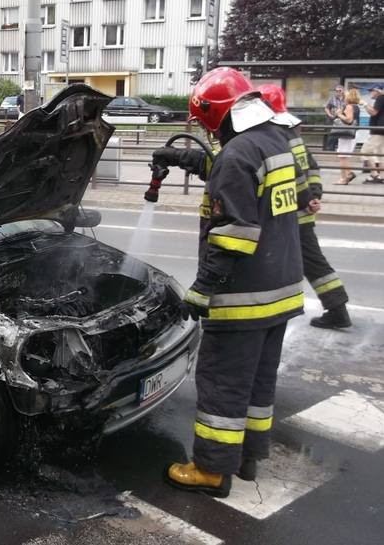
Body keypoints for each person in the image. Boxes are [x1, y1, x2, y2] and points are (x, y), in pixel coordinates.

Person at [150, 68, 304, 498]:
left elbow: (234, 233)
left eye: (204, 122)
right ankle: (248, 457)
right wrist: (180, 157)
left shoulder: (238, 155)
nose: (204, 130)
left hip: (242, 297)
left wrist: (202, 290)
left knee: (222, 381)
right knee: (257, 382)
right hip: (280, 292)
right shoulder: (273, 141)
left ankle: (211, 470)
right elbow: (229, 171)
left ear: (216, 113)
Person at [259, 84, 352, 329]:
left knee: (280, 260)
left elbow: (291, 170)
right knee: (310, 259)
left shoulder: (273, 133)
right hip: (301, 208)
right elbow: (311, 167)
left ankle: (336, 309)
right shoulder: (293, 131)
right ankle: (336, 308)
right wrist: (314, 196)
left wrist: (307, 198)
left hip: (287, 211)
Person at [333, 88, 360, 184]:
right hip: (352, 133)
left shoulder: (349, 106)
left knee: (342, 156)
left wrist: (339, 114)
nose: (344, 97)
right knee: (343, 156)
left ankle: (348, 175)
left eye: (345, 95)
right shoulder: (356, 106)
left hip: (346, 134)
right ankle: (344, 178)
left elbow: (349, 120)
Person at [360, 85, 384, 183]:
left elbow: (373, 112)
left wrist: (364, 104)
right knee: (381, 154)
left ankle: (374, 174)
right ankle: (382, 176)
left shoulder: (380, 98)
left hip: (378, 130)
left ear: (377, 91)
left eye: (372, 90)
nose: (370, 92)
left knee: (365, 151)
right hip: (381, 130)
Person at [324, 85, 345, 151]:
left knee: (341, 133)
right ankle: (330, 149)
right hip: (333, 118)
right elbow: (326, 108)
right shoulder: (332, 98)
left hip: (342, 118)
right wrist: (330, 115)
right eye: (336, 91)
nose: (338, 92)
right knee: (331, 133)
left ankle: (339, 148)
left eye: (339, 91)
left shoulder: (346, 99)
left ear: (343, 91)